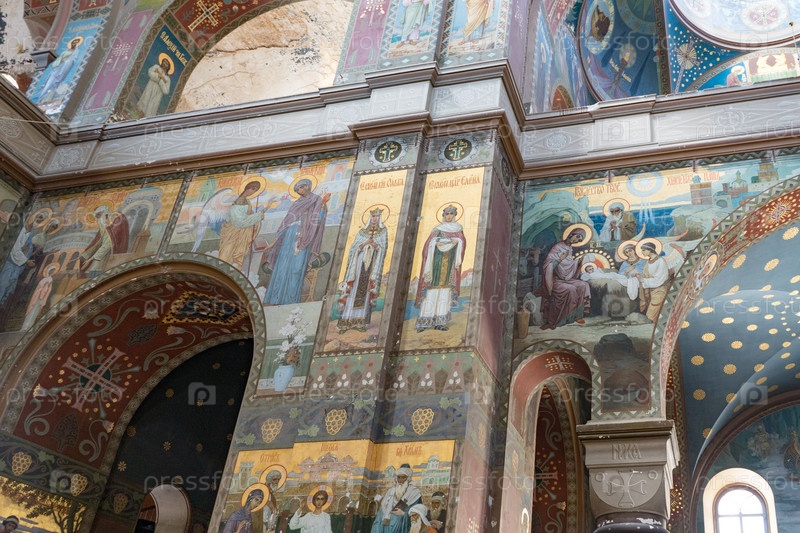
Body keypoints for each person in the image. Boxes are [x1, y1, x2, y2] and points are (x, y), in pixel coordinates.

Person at [263, 178, 330, 305]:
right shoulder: (296, 204)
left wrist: (323, 205)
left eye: (301, 187)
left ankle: (291, 300)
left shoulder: (316, 199)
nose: (299, 190)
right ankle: (275, 298)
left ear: (307, 186)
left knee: (297, 268)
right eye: (297, 189)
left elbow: (318, 218)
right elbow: (286, 222)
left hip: (305, 236)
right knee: (282, 267)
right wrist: (275, 241)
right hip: (289, 237)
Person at [414, 205, 466, 332]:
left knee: (445, 292)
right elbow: (427, 246)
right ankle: (424, 322)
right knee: (431, 292)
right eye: (447, 214)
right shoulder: (437, 229)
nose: (449, 216)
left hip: (449, 266)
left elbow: (462, 243)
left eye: (451, 214)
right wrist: (435, 243)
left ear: (454, 216)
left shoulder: (458, 229)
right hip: (435, 265)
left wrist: (458, 242)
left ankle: (440, 322)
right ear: (443, 215)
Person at [337, 207, 388, 332]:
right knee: (353, 291)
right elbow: (354, 248)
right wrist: (365, 244)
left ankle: (360, 322)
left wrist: (375, 245)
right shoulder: (362, 232)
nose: (375, 219)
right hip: (358, 265)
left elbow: (383, 248)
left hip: (370, 266)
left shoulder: (382, 232)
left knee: (365, 292)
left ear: (380, 218)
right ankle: (345, 321)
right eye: (373, 216)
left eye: (377, 216)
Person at [539, 226, 590, 329]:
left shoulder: (569, 249)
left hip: (566, 279)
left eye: (579, 240)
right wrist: (559, 259)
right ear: (571, 234)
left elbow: (568, 267)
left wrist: (578, 262)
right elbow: (548, 266)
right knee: (570, 289)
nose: (576, 240)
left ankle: (576, 315)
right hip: (555, 280)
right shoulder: (557, 247)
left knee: (583, 285)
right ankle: (560, 319)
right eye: (577, 237)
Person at [218, 180, 266, 270]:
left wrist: (258, 217)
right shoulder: (238, 202)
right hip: (232, 233)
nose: (253, 192)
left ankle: (234, 271)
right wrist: (258, 216)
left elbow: (249, 215)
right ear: (247, 188)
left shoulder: (247, 201)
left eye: (256, 190)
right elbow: (239, 221)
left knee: (238, 255)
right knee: (227, 252)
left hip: (243, 234)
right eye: (253, 189)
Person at [80, 206, 130, 277]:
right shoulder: (105, 222)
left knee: (98, 266)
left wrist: (91, 259)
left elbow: (109, 242)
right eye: (97, 217)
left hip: (111, 249)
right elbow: (100, 238)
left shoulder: (116, 219)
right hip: (104, 250)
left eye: (98, 215)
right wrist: (87, 255)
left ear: (102, 212)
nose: (98, 218)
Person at [370, 464, 422, 533]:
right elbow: (381, 512)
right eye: (398, 477)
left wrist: (404, 513)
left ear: (408, 478)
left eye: (403, 477)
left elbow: (418, 512)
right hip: (386, 526)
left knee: (396, 519)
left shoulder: (414, 493)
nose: (400, 481)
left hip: (402, 527)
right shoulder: (390, 491)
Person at [36, 37, 83, 104]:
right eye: (73, 42)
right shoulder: (65, 51)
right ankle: (40, 99)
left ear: (77, 44)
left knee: (55, 84)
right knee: (49, 83)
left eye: (76, 43)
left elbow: (72, 60)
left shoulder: (75, 52)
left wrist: (62, 71)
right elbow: (58, 59)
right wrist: (60, 60)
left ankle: (47, 99)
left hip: (64, 69)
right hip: (57, 68)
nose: (74, 44)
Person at [632, 240, 670, 322]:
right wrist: (638, 275)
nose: (642, 252)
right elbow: (646, 276)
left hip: (659, 291)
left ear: (650, 250)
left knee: (650, 316)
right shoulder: (648, 262)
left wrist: (642, 279)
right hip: (650, 292)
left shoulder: (660, 261)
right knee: (650, 317)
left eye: (644, 250)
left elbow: (659, 279)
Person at [21, 263, 58, 330]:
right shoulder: (44, 280)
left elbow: (48, 290)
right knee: (32, 310)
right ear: (48, 271)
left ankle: (30, 327)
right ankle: (25, 327)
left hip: (42, 298)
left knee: (36, 312)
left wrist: (47, 287)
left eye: (53, 271)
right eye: (51, 271)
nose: (52, 272)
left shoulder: (50, 280)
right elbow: (39, 289)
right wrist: (45, 287)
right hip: (37, 297)